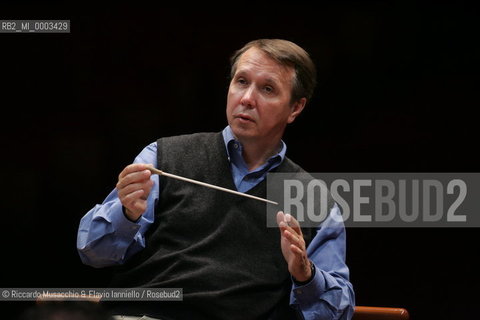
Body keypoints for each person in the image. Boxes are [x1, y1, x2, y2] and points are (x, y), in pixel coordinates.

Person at [77, 39, 355, 320]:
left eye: (267, 89)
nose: (247, 98)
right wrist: (127, 215)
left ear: (295, 108)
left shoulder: (313, 198)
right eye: (241, 81)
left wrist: (306, 275)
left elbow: (338, 309)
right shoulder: (161, 158)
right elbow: (92, 253)